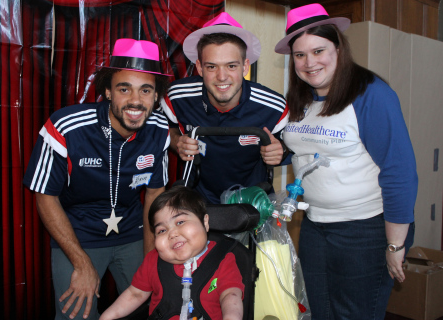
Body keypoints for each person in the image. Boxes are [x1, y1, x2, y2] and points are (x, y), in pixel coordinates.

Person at [274, 3, 418, 320]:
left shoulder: (370, 95)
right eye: (300, 55)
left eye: (319, 50)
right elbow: (305, 147)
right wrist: (279, 152)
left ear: (338, 47)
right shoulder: (299, 99)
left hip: (365, 228)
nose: (309, 63)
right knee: (319, 310)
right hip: (316, 225)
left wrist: (395, 245)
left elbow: (400, 173)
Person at [23, 38, 171, 320]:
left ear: (155, 96)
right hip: (78, 232)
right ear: (107, 91)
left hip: (132, 231)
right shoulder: (67, 126)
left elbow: (154, 195)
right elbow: (44, 196)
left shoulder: (159, 129)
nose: (135, 101)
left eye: (146, 90)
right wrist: (81, 263)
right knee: (76, 313)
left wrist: (151, 259)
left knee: (153, 307)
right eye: (124, 89)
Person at [159, 12, 289, 204]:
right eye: (211, 67)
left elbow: (289, 147)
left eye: (231, 66)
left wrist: (281, 151)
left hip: (253, 203)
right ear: (200, 67)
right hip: (197, 203)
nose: (222, 77)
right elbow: (164, 129)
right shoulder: (176, 96)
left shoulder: (274, 107)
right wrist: (178, 141)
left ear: (245, 67)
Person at [100, 185, 244, 320]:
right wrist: (106, 317)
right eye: (162, 230)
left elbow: (230, 296)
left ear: (205, 222)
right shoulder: (153, 261)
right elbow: (135, 294)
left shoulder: (222, 260)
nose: (172, 234)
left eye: (180, 222)